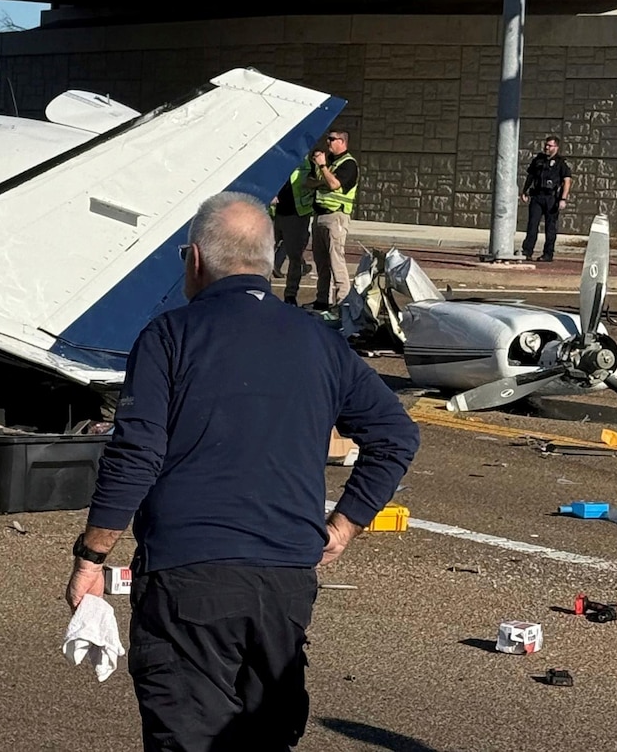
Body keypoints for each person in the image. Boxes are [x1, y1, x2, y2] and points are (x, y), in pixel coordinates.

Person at [65, 192, 418, 751]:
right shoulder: (319, 341)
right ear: (269, 262)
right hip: (283, 582)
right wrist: (344, 525)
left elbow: (136, 453)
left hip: (189, 576)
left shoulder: (169, 336)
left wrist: (92, 555)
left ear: (196, 259)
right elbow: (396, 435)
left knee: (189, 735)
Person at [309, 130, 358, 311]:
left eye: (332, 139)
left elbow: (334, 184)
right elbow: (310, 182)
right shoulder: (331, 162)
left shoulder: (349, 164)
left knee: (336, 260)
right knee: (321, 262)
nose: (328, 142)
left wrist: (323, 168)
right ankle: (322, 300)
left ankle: (342, 302)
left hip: (335, 216)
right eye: (327, 139)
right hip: (319, 216)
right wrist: (323, 173)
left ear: (342, 142)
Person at [270, 156, 315, 305]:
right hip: (277, 212)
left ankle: (290, 295)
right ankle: (265, 290)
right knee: (265, 254)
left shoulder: (308, 163)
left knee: (295, 257)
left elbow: (317, 183)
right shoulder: (279, 159)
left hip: (297, 214)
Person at [521, 135, 572, 262]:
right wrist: (524, 191)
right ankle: (527, 251)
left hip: (551, 198)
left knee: (550, 227)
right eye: (546, 145)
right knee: (532, 225)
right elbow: (531, 176)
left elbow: (567, 181)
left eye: (550, 145)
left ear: (556, 147)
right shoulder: (538, 160)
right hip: (537, 196)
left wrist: (563, 199)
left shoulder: (561, 163)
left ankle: (548, 254)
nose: (547, 147)